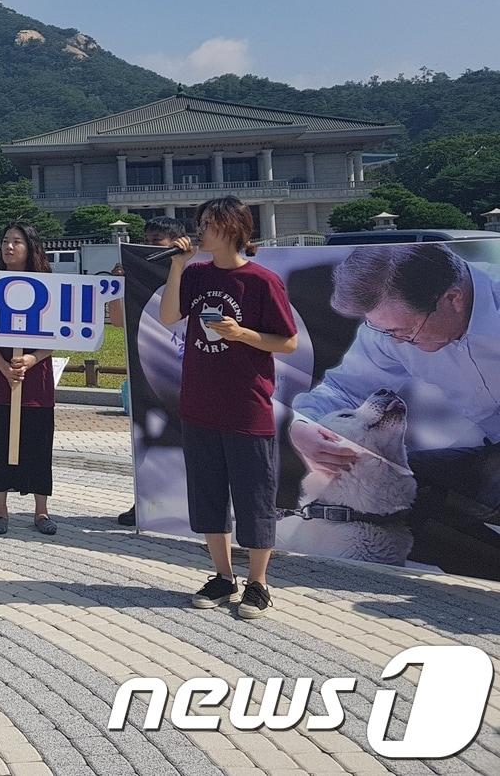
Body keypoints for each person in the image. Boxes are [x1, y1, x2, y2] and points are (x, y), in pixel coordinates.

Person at [289, 242, 500, 576]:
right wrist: (303, 427)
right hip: (494, 449)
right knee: (400, 486)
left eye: (405, 331)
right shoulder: (387, 333)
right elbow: (341, 389)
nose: (396, 341)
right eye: (386, 331)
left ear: (452, 299)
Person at [159, 196, 298, 619]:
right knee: (208, 495)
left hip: (246, 406)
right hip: (199, 403)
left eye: (209, 224)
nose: (201, 231)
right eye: (200, 222)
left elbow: (288, 342)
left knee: (254, 496)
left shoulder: (261, 281)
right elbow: (168, 317)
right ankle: (222, 576)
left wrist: (242, 334)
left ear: (234, 229)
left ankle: (258, 583)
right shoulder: (196, 273)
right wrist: (178, 265)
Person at [0, 222, 58, 536]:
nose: (9, 247)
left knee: (38, 442)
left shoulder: (48, 284)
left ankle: (41, 510)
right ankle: (0, 509)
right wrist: (2, 365)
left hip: (35, 377)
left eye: (16, 241)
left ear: (30, 247)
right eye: (5, 240)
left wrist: (31, 359)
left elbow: (60, 333)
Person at [109, 216, 188, 527]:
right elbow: (117, 320)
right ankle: (146, 502)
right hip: (149, 374)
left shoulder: (194, 272)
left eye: (157, 241)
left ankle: (192, 504)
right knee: (148, 442)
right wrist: (119, 286)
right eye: (146, 240)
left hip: (191, 374)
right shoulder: (136, 276)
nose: (148, 247)